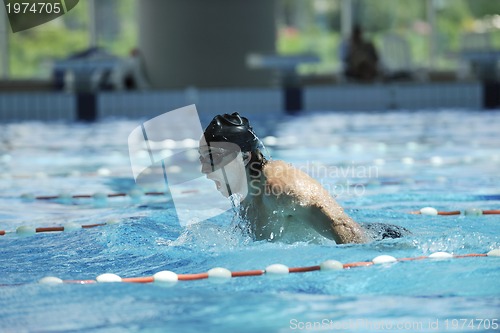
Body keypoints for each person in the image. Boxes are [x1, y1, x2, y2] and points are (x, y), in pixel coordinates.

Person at [199, 113, 409, 244]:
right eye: (203, 159)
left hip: (386, 243)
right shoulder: (245, 192)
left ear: (244, 157)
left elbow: (347, 230)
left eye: (213, 159)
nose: (205, 170)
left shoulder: (281, 187)